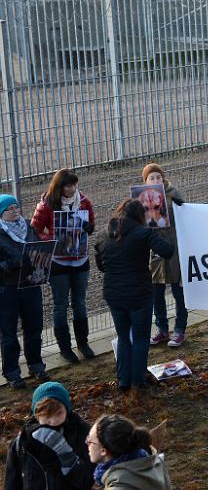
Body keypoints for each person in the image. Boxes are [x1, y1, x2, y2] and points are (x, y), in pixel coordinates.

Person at [94, 199, 174, 391]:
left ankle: (123, 379)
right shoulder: (144, 233)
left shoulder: (103, 235)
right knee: (140, 338)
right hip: (139, 293)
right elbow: (167, 251)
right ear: (140, 216)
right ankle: (138, 380)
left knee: (123, 337)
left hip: (113, 293)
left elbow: (101, 265)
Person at [31, 168, 96, 363]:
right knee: (60, 305)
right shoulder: (47, 204)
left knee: (80, 303)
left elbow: (91, 224)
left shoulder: (83, 201)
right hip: (58, 262)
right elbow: (34, 230)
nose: (72, 188)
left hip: (80, 260)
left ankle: (83, 343)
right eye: (68, 185)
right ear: (60, 186)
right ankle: (65, 348)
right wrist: (53, 238)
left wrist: (88, 228)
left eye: (74, 184)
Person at [4, 381, 94, 489]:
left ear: (67, 409)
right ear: (36, 415)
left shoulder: (83, 433)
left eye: (59, 413)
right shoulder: (22, 442)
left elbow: (88, 480)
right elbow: (12, 481)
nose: (53, 421)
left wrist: (68, 458)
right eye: (46, 415)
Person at [0, 194, 50, 389]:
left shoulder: (28, 227)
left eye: (16, 207)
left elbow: (37, 247)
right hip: (7, 289)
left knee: (34, 329)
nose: (15, 211)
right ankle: (12, 373)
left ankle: (36, 366)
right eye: (10, 209)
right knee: (9, 334)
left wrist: (43, 257)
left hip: (31, 285)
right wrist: (14, 263)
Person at [142, 163, 189, 348]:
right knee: (156, 292)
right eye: (151, 178)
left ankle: (180, 330)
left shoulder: (173, 194)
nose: (155, 181)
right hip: (155, 252)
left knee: (178, 291)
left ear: (163, 178)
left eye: (158, 177)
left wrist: (180, 208)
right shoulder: (141, 198)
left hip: (175, 248)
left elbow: (186, 220)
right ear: (145, 181)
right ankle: (162, 329)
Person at [87, 414, 171, 489]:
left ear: (103, 451)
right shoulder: (152, 461)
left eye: (90, 441)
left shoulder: (119, 485)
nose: (86, 443)